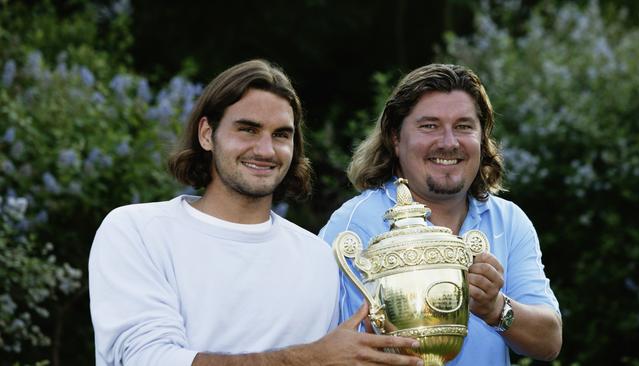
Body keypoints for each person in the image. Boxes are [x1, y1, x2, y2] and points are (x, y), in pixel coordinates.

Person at [89, 60, 424, 366]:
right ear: (207, 134)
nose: (265, 150)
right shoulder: (137, 231)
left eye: (281, 135)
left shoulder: (318, 258)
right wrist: (311, 359)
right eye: (247, 129)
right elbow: (148, 359)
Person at [319, 63, 563, 365]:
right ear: (395, 138)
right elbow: (325, 349)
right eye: (429, 126)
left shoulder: (508, 221)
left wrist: (496, 308)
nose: (448, 143)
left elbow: (549, 341)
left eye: (463, 126)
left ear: (482, 138)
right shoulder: (352, 227)